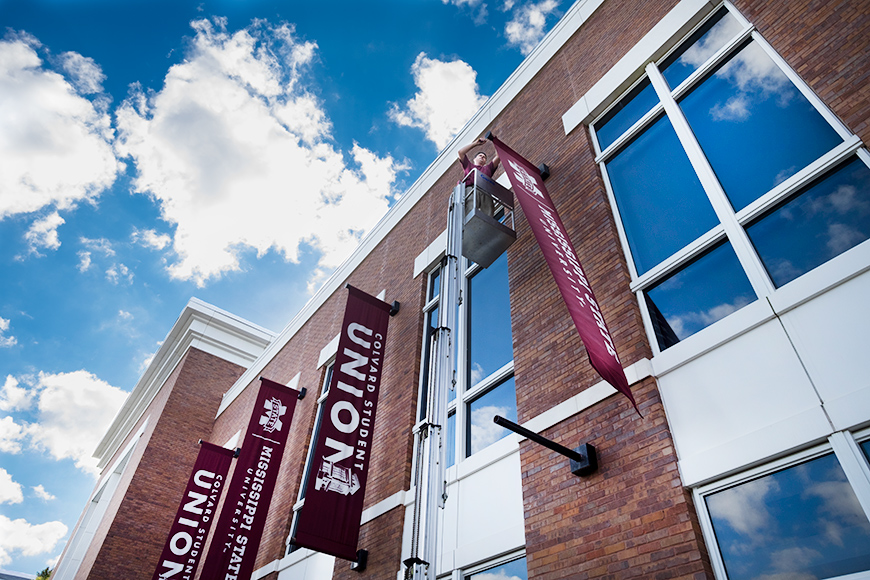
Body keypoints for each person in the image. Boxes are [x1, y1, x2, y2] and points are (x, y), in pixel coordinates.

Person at [457, 137, 500, 216]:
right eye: (480, 155)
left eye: (484, 157)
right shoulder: (469, 165)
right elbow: (460, 152)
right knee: (470, 208)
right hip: (471, 189)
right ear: (474, 159)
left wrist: (494, 141)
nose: (482, 157)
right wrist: (475, 144)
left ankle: (488, 224)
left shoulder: (488, 168)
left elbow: (498, 156)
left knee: (488, 212)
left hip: (484, 190)